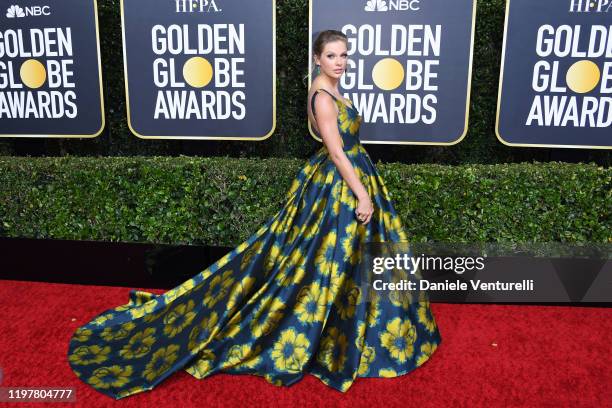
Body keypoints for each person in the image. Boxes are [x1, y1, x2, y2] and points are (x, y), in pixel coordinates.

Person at [66, 29, 441, 400]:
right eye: (332, 56)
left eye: (344, 55)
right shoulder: (323, 97)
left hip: (347, 179)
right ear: (316, 59)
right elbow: (339, 152)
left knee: (339, 261)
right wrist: (362, 194)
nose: (340, 62)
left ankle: (347, 332)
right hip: (343, 184)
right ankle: (332, 338)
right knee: (325, 261)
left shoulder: (332, 89)